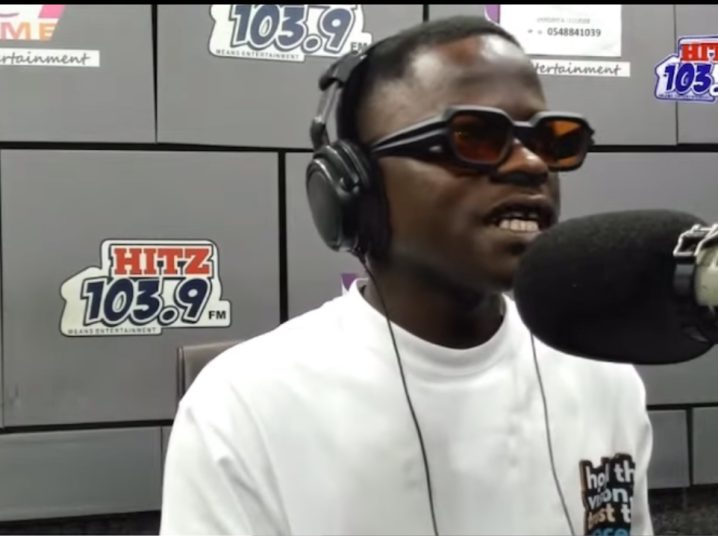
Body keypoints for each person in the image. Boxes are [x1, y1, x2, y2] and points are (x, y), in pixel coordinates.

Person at [160, 15, 654, 536]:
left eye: (550, 141)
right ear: (357, 187)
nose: (532, 165)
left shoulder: (605, 379)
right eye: (473, 137)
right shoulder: (242, 406)